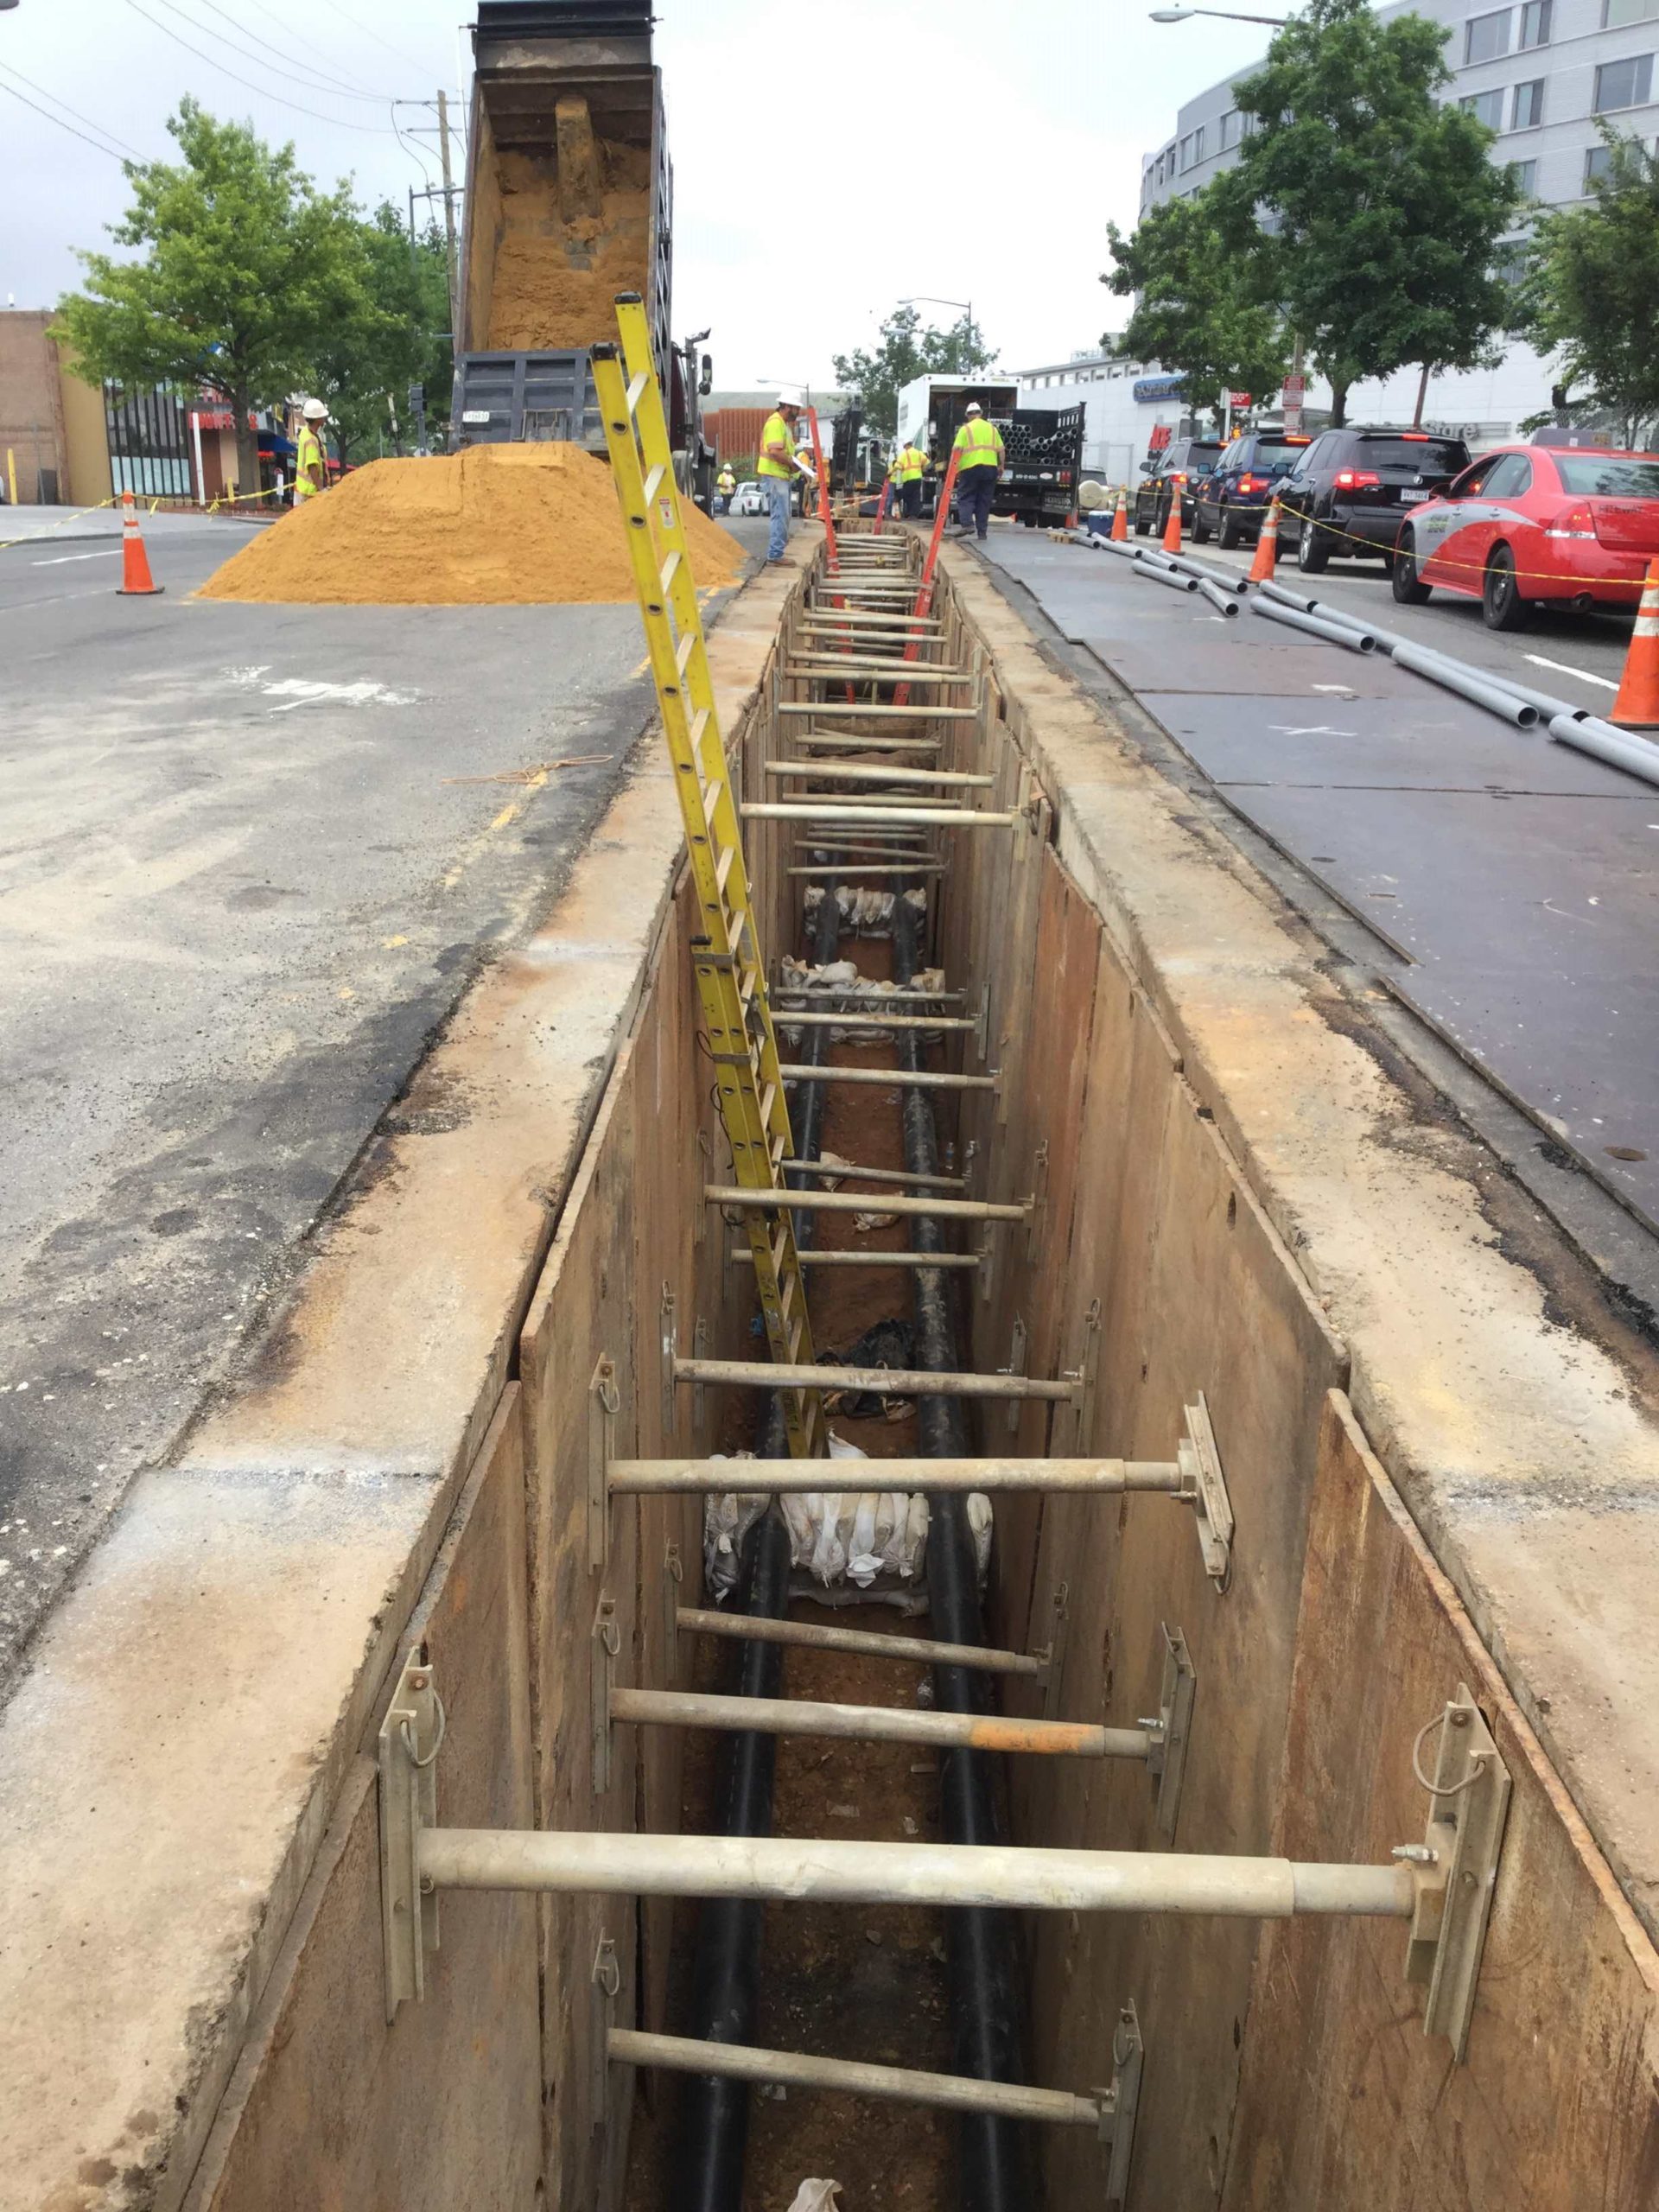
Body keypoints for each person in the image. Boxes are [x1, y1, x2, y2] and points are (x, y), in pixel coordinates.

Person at [950, 401, 1005, 542]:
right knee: (984, 500)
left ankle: (967, 525)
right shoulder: (992, 429)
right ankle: (982, 532)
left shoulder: (965, 429)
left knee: (965, 496)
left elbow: (956, 449)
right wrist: (1001, 466)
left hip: (970, 468)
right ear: (981, 414)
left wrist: (953, 469)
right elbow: (1001, 449)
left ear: (968, 415)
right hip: (990, 468)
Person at [757, 396, 802, 561]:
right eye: (796, 409)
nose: (798, 412)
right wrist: (792, 464)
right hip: (774, 476)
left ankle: (777, 551)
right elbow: (775, 452)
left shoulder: (783, 425)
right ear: (788, 406)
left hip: (779, 476)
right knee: (780, 515)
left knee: (783, 515)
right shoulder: (776, 423)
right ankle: (776, 554)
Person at [295, 397, 330, 505]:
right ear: (317, 419)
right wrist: (321, 489)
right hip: (309, 493)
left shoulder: (306, 433)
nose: (324, 418)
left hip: (305, 491)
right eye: (322, 416)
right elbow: (312, 466)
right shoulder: (311, 440)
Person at [892, 436, 927, 521]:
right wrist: (921, 468)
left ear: (906, 445)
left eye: (904, 447)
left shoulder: (904, 454)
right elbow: (926, 462)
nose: (905, 448)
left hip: (908, 479)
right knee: (916, 496)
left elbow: (897, 466)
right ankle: (914, 515)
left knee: (907, 496)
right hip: (918, 478)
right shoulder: (919, 453)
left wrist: (890, 473)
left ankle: (909, 513)